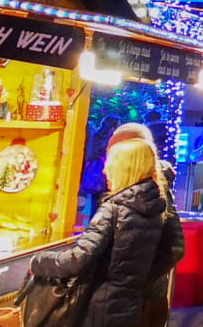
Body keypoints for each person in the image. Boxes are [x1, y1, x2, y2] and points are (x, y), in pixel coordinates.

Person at [32, 139, 179, 327]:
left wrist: (39, 261)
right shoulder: (157, 206)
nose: (105, 170)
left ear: (125, 168)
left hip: (99, 307)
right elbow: (167, 253)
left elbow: (78, 259)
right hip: (129, 305)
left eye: (111, 165)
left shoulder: (113, 209)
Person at [108, 123, 184, 327]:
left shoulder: (156, 191)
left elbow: (175, 247)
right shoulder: (122, 188)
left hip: (144, 297)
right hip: (124, 298)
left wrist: (139, 279)